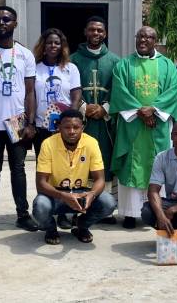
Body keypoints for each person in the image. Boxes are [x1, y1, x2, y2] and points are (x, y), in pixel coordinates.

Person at [110, 26, 177, 229]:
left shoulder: (167, 65)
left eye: (148, 37)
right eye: (140, 36)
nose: (143, 40)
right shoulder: (124, 65)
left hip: (158, 125)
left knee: (158, 164)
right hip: (132, 124)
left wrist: (154, 110)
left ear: (155, 41)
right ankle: (130, 213)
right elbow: (120, 91)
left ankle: (158, 212)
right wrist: (141, 112)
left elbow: (172, 91)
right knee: (131, 165)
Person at [0, 6, 38, 235]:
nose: (1, 22)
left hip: (17, 122)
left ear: (15, 23)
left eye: (6, 19)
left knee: (18, 169)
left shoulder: (25, 54)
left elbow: (30, 92)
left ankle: (23, 215)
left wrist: (30, 123)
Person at [32, 109, 116, 245]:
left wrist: (91, 194)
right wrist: (63, 196)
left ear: (82, 127)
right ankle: (51, 229)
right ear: (59, 127)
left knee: (108, 202)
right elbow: (41, 183)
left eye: (76, 127)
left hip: (81, 193)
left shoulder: (91, 143)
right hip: (56, 194)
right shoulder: (48, 144)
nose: (72, 131)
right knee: (40, 206)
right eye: (67, 127)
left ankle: (81, 226)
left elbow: (100, 179)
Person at [71, 16, 120, 221]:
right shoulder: (73, 60)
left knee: (104, 159)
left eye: (100, 30)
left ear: (105, 33)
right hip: (83, 122)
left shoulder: (115, 61)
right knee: (81, 161)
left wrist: (105, 108)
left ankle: (105, 208)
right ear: (85, 32)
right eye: (92, 30)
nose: (96, 33)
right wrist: (84, 107)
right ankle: (79, 204)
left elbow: (119, 90)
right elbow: (69, 87)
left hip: (105, 122)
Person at [33, 28, 82, 229]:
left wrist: (69, 119)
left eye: (57, 43)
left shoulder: (70, 69)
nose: (53, 46)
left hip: (65, 129)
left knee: (67, 170)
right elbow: (30, 95)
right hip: (42, 128)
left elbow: (76, 95)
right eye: (49, 42)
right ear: (43, 46)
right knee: (45, 171)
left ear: (62, 46)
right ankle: (46, 211)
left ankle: (65, 212)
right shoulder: (35, 68)